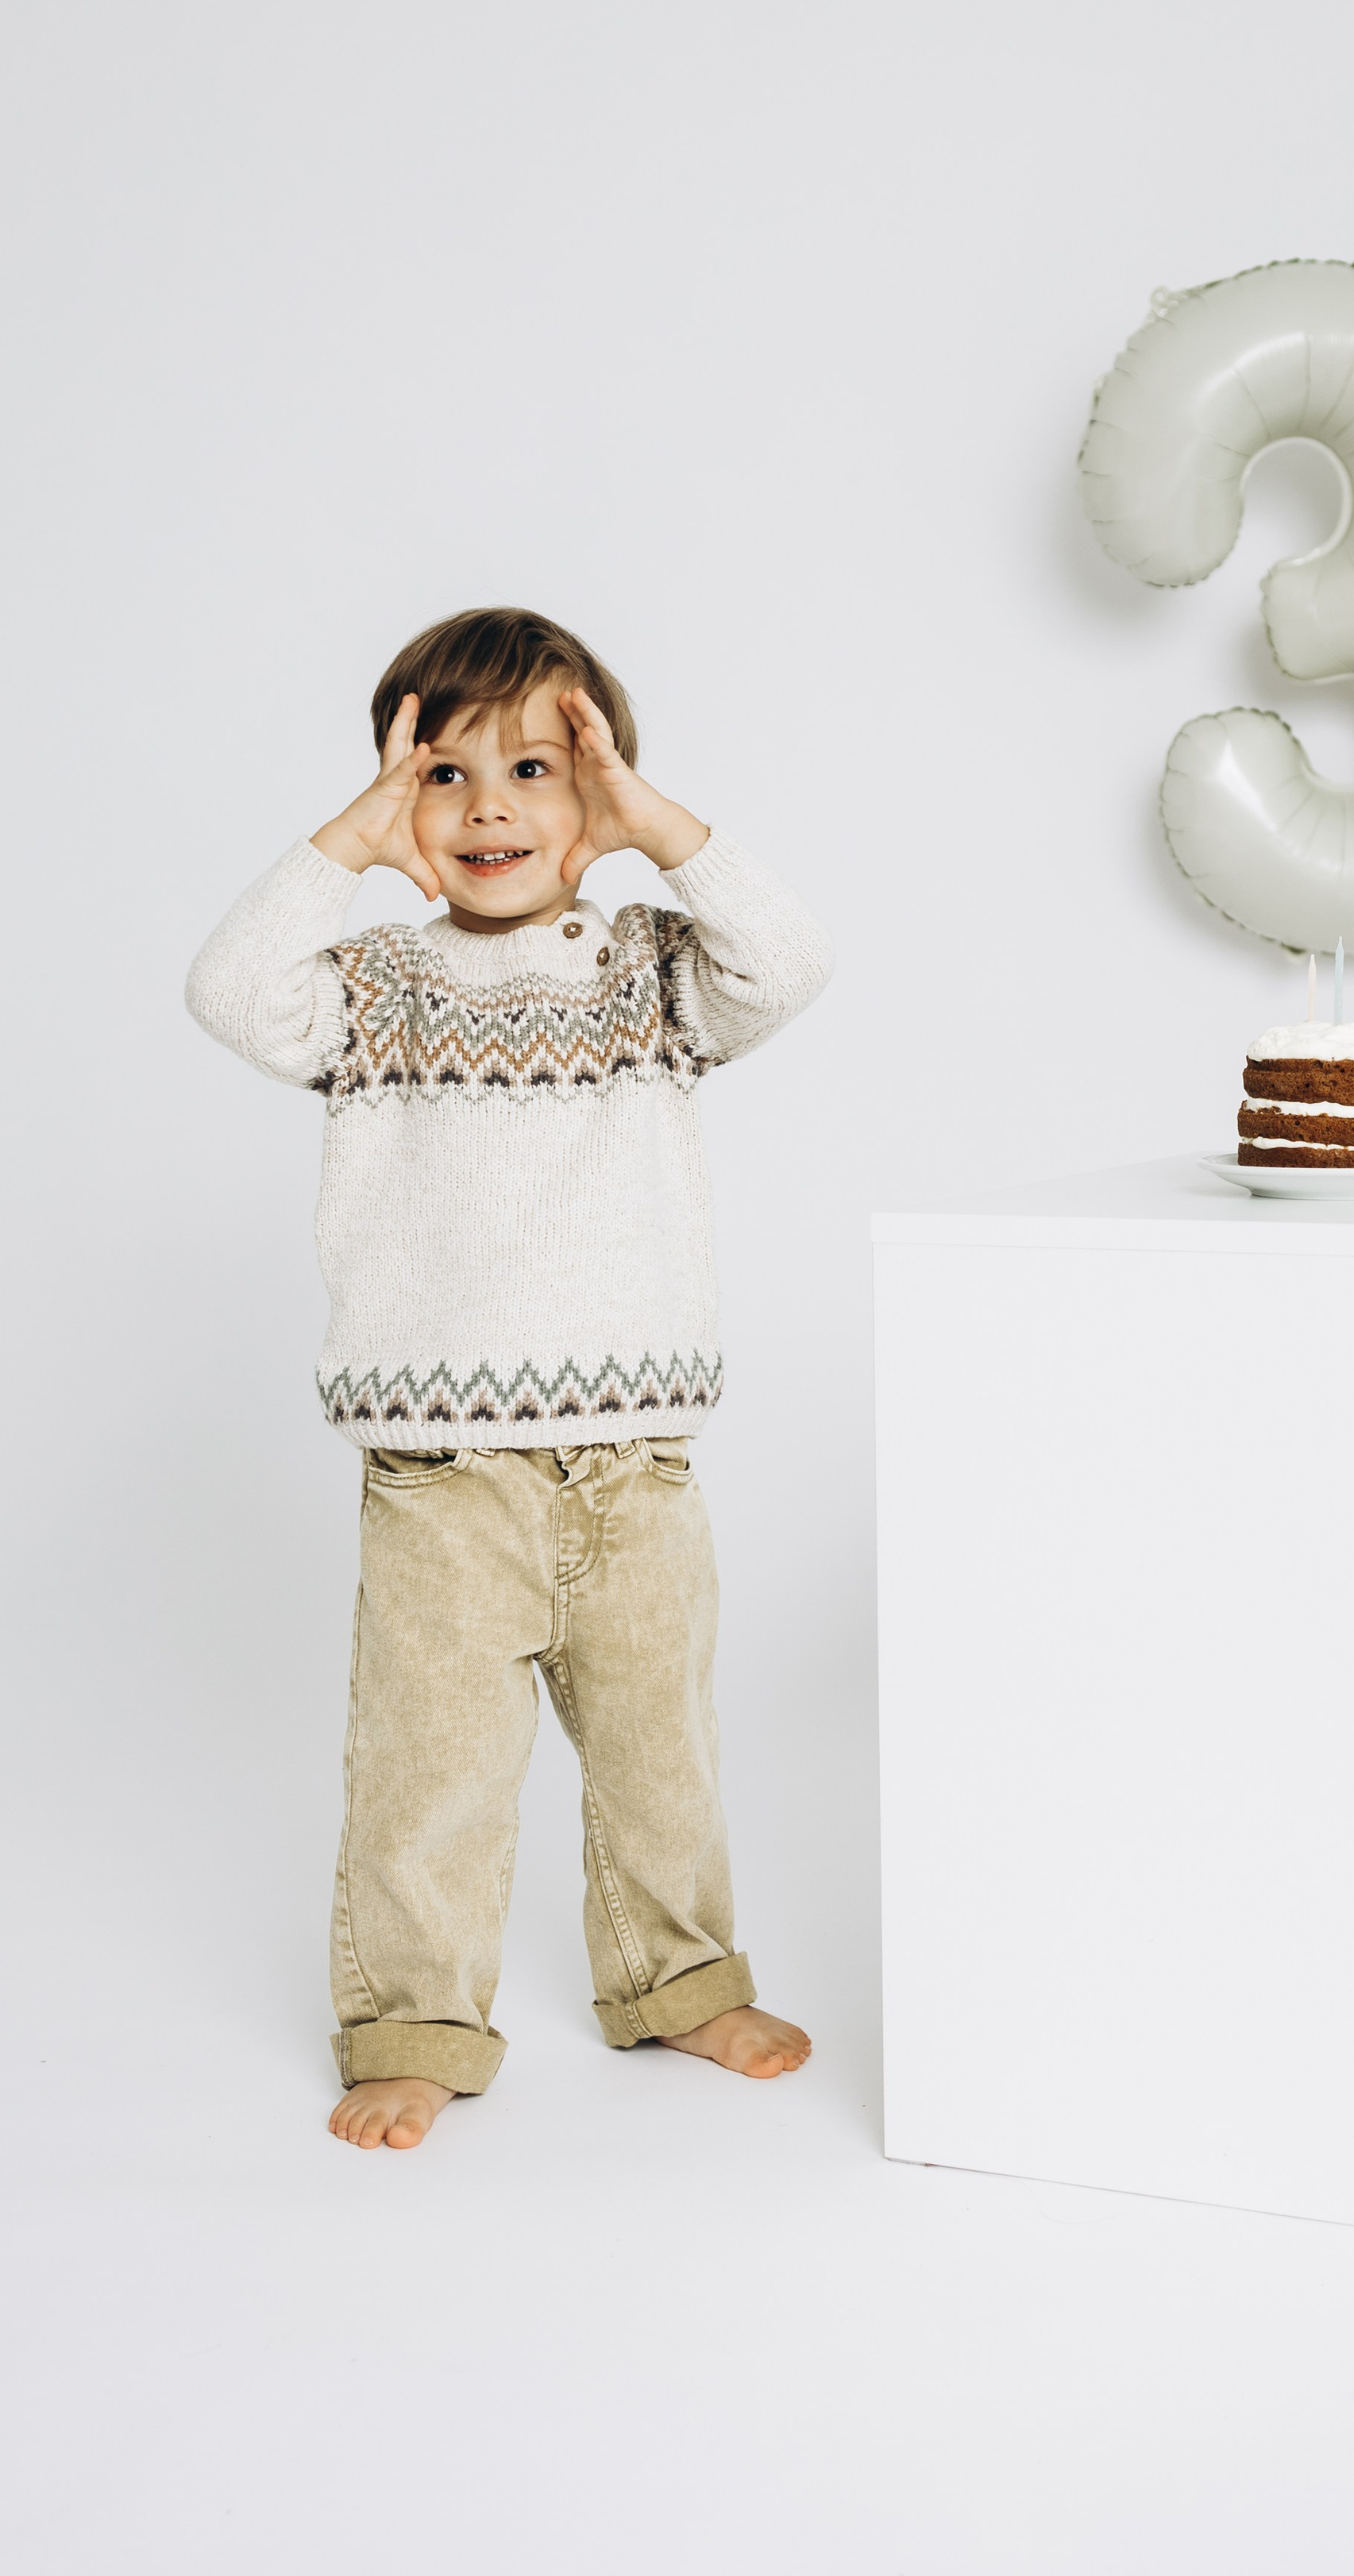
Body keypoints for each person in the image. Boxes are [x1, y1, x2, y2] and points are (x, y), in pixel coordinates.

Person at [187, 605, 831, 2150]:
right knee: (432, 1771)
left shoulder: (645, 972)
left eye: (537, 768)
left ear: (594, 798)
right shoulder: (373, 987)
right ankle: (411, 2021)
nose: (488, 807)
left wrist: (651, 823)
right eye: (443, 774)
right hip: (441, 1476)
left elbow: (792, 961)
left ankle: (678, 1982)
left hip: (634, 1462)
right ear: (397, 800)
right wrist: (344, 844)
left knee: (658, 1748)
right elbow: (226, 990)